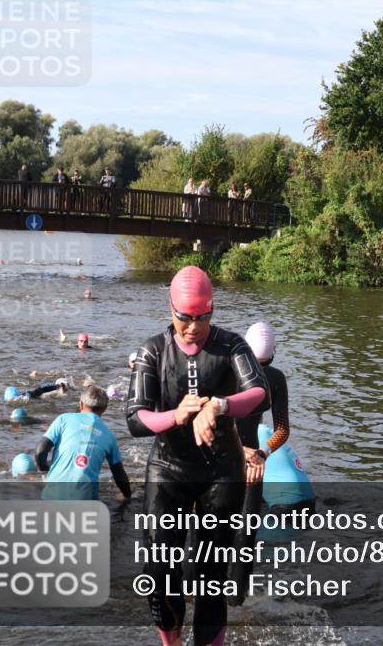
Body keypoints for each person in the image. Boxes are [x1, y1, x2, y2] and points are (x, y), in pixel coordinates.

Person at [126, 265, 268, 646]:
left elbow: (259, 392)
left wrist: (217, 405)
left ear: (211, 311)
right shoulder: (153, 350)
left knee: (210, 572)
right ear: (170, 310)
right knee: (159, 570)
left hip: (220, 471)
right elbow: (135, 419)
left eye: (201, 317)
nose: (192, 326)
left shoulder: (231, 345)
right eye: (184, 318)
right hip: (169, 468)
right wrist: (176, 415)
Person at [227, 321, 291, 605]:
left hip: (228, 457)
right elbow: (282, 429)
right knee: (245, 533)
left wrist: (247, 452)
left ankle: (199, 597)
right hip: (252, 462)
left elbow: (218, 418)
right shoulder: (275, 378)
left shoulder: (231, 371)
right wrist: (261, 453)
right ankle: (237, 604)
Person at [36, 385, 131, 502]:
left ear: (81, 404)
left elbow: (40, 451)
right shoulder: (109, 436)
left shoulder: (63, 420)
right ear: (104, 409)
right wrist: (127, 496)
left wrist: (45, 472)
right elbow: (119, 474)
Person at [5, 378, 69, 403]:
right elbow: (42, 388)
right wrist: (57, 386)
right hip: (30, 395)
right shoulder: (27, 395)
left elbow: (42, 389)